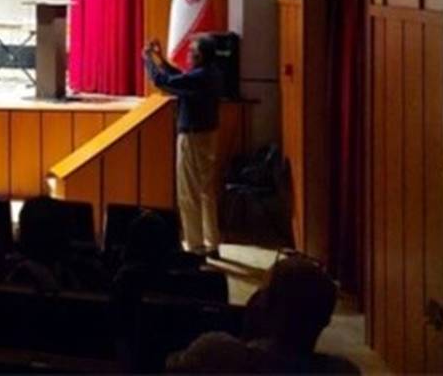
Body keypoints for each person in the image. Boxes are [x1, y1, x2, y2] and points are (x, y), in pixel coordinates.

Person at [167, 254, 357, 374]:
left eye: (261, 292)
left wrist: (246, 340)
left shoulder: (216, 354)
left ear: (263, 306)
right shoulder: (343, 371)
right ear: (325, 320)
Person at [143, 35, 223, 258]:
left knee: (188, 192)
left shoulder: (199, 77)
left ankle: (196, 247)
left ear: (200, 56)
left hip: (193, 137)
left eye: (191, 52)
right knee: (206, 192)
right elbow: (181, 78)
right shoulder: (212, 73)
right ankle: (212, 243)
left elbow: (162, 81)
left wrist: (147, 59)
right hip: (209, 135)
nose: (187, 55)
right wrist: (161, 60)